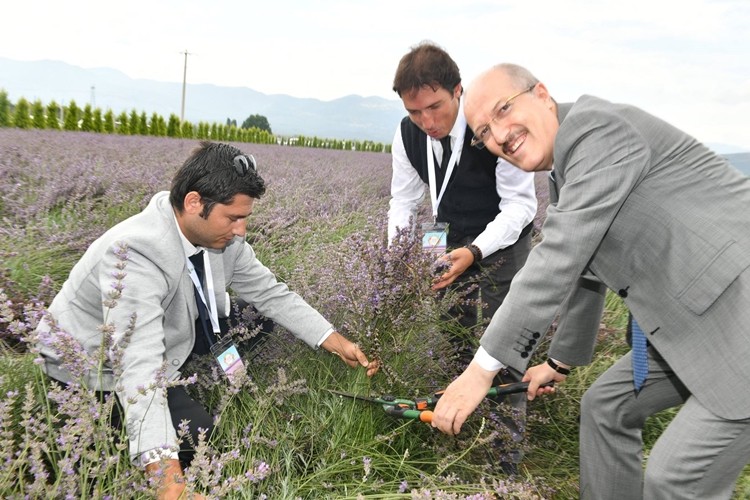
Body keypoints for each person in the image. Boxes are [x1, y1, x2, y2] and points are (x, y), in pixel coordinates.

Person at [430, 63, 750, 499]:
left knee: (677, 479)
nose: (499, 136)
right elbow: (584, 268)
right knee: (606, 409)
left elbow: (559, 256)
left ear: (541, 93)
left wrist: (482, 369)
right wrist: (560, 360)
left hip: (736, 316)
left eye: (503, 110)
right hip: (691, 319)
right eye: (484, 132)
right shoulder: (568, 168)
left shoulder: (599, 132)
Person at [36, 141, 378, 499]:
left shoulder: (218, 239)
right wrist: (168, 482)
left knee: (208, 421)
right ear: (194, 202)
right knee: (100, 467)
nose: (241, 230)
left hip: (165, 346)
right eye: (233, 218)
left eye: (245, 218)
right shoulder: (135, 254)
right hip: (91, 372)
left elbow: (272, 293)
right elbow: (139, 366)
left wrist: (334, 340)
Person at [387, 41, 538, 471]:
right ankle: (463, 437)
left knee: (500, 350)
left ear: (458, 91)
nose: (426, 121)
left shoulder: (490, 126)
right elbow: (403, 200)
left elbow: (521, 207)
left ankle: (503, 462)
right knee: (453, 344)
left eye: (435, 107)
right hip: (448, 247)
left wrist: (474, 252)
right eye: (415, 112)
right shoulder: (407, 132)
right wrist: (398, 259)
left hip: (500, 246)